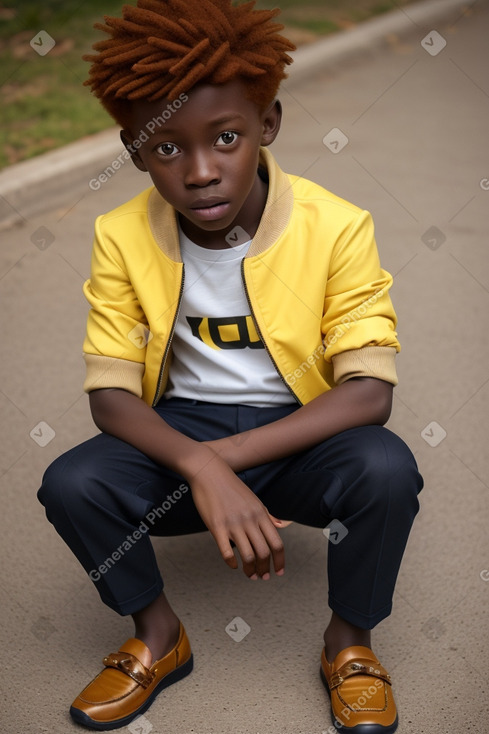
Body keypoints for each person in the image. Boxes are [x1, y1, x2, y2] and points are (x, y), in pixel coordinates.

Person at [37, 0, 423, 731]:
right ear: (135, 149)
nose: (202, 171)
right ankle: (158, 635)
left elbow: (367, 391)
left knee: (385, 469)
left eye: (225, 138)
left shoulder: (336, 226)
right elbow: (111, 398)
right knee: (73, 482)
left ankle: (349, 645)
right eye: (167, 150)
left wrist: (222, 462)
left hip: (302, 433)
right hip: (184, 429)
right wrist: (201, 467)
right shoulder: (120, 236)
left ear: (267, 125)